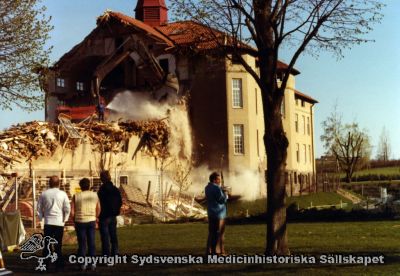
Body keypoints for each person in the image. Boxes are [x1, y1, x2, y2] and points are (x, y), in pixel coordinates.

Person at [37, 175, 71, 271]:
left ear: (49, 183)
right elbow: (67, 209)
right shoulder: (62, 194)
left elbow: (38, 208)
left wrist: (41, 219)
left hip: (48, 222)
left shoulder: (44, 194)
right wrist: (65, 219)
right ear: (59, 183)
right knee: (58, 245)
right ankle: (59, 266)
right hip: (59, 222)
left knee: (47, 245)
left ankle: (45, 265)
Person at [70, 178, 100, 271]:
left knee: (82, 243)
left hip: (80, 221)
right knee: (91, 242)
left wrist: (74, 220)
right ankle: (93, 263)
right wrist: (96, 217)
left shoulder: (76, 196)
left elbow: (72, 211)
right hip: (91, 220)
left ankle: (82, 263)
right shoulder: (95, 195)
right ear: (89, 185)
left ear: (80, 186)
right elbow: (98, 208)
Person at [97, 171, 122, 256]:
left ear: (102, 179)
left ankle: (106, 254)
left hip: (104, 216)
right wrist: (117, 210)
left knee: (105, 237)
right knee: (113, 235)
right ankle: (115, 252)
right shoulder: (115, 189)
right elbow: (120, 201)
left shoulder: (101, 190)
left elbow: (98, 203)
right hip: (113, 215)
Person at [205, 172, 228, 255]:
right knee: (220, 233)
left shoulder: (207, 187)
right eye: (218, 180)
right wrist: (225, 193)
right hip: (219, 214)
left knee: (211, 233)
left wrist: (220, 189)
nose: (220, 181)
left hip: (211, 213)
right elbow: (222, 200)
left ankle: (209, 251)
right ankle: (219, 251)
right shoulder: (216, 188)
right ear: (214, 180)